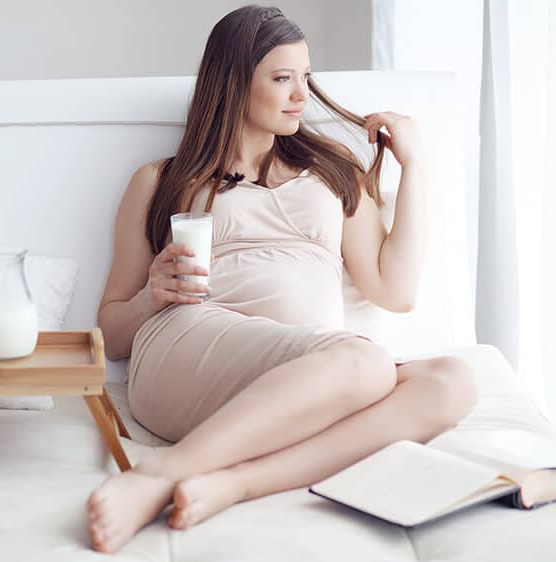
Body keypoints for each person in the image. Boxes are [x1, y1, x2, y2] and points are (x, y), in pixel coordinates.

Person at [87, 4, 478, 554]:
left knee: (453, 382)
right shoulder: (162, 180)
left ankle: (234, 482)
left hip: (309, 373)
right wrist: (153, 294)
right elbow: (109, 334)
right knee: (365, 363)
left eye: (305, 77)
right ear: (232, 83)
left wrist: (413, 168)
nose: (301, 95)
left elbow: (396, 291)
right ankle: (153, 476)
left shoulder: (332, 171)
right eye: (281, 78)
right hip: (189, 351)